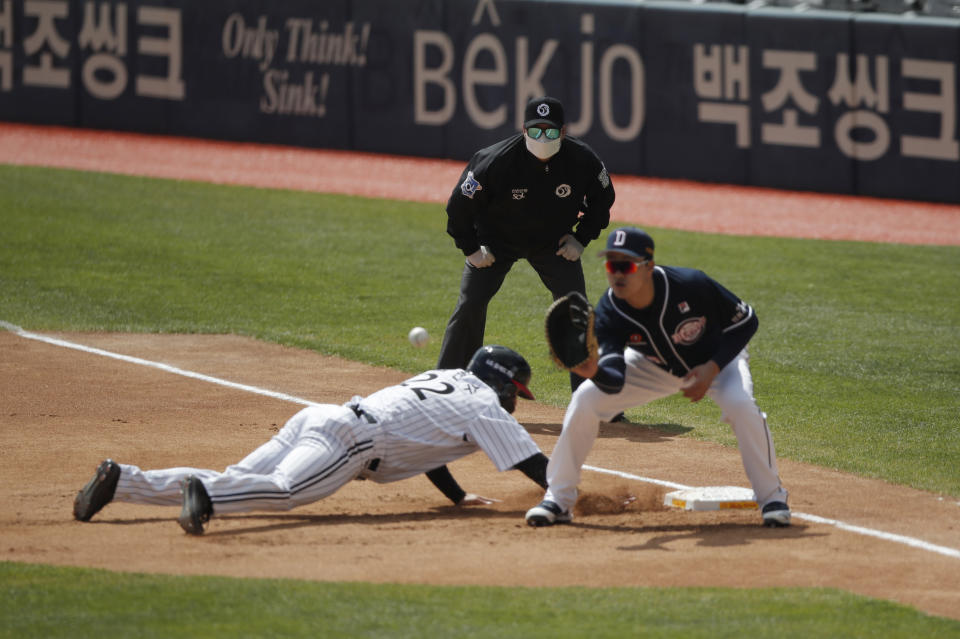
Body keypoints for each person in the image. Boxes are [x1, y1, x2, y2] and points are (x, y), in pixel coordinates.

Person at [73, 345, 550, 535]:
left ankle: (123, 482)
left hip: (321, 417)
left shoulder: (447, 377)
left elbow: (430, 447)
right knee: (284, 493)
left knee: (239, 479)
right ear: (505, 383)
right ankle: (209, 499)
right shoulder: (484, 404)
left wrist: (458, 495)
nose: (516, 403)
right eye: (518, 394)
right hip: (354, 441)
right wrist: (572, 497)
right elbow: (533, 465)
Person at [525, 227, 790, 528]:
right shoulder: (611, 309)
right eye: (611, 265)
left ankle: (773, 498)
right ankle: (558, 499)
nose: (616, 274)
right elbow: (615, 378)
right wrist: (594, 372)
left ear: (648, 266)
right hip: (655, 366)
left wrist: (712, 368)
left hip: (718, 362)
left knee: (740, 405)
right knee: (585, 397)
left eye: (625, 265)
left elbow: (746, 322)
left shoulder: (692, 284)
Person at [437, 96, 615, 391]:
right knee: (470, 304)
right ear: (523, 130)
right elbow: (458, 207)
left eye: (550, 131)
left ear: (563, 132)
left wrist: (581, 238)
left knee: (576, 308)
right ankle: (446, 387)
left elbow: (603, 199)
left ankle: (590, 393)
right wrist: (471, 249)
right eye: (535, 131)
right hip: (495, 243)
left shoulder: (583, 160)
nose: (542, 138)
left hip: (552, 243)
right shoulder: (494, 160)